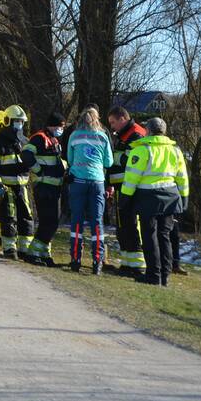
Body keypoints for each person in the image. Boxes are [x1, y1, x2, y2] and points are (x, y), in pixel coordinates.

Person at [119, 118, 189, 286]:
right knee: (164, 237)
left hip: (147, 198)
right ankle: (165, 276)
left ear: (148, 131)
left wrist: (125, 199)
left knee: (149, 237)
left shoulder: (141, 150)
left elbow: (131, 179)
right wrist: (184, 198)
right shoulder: (175, 150)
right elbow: (182, 177)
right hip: (170, 197)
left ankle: (153, 275)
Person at [66, 107, 113, 275]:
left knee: (76, 220)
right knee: (97, 221)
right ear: (97, 119)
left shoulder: (74, 136)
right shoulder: (102, 136)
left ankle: (75, 259)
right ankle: (97, 261)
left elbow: (70, 160)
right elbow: (108, 162)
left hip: (78, 182)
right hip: (97, 182)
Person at [0, 105, 34, 260]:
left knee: (26, 216)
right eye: (16, 121)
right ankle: (9, 249)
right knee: (8, 217)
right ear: (7, 121)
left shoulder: (24, 142)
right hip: (5, 187)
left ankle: (25, 249)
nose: (19, 124)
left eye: (21, 122)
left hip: (22, 186)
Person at [106, 106, 148, 276]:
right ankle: (127, 264)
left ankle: (137, 265)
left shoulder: (136, 134)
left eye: (113, 122)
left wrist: (110, 157)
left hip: (131, 189)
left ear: (123, 118)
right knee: (123, 227)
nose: (112, 127)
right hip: (122, 187)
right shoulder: (125, 134)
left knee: (131, 226)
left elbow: (130, 159)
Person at [22, 111, 67, 266]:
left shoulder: (53, 139)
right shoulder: (40, 138)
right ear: (53, 125)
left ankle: (44, 253)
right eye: (61, 126)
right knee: (50, 222)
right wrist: (38, 171)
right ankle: (33, 253)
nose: (62, 129)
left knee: (50, 222)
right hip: (44, 186)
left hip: (53, 187)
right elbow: (26, 154)